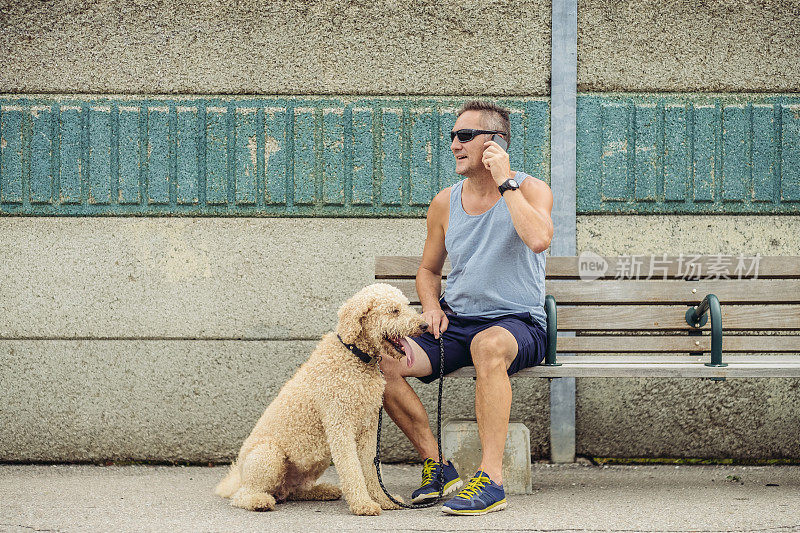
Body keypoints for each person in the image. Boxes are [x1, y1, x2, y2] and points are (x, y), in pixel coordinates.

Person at [378, 100, 554, 516]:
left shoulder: (530, 189)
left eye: (464, 136)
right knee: (381, 358)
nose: (454, 145)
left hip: (519, 322)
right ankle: (438, 465)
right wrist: (430, 305)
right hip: (457, 321)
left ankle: (491, 480)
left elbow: (539, 240)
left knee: (488, 346)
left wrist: (505, 181)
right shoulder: (444, 202)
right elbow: (427, 269)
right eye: (452, 137)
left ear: (494, 142)